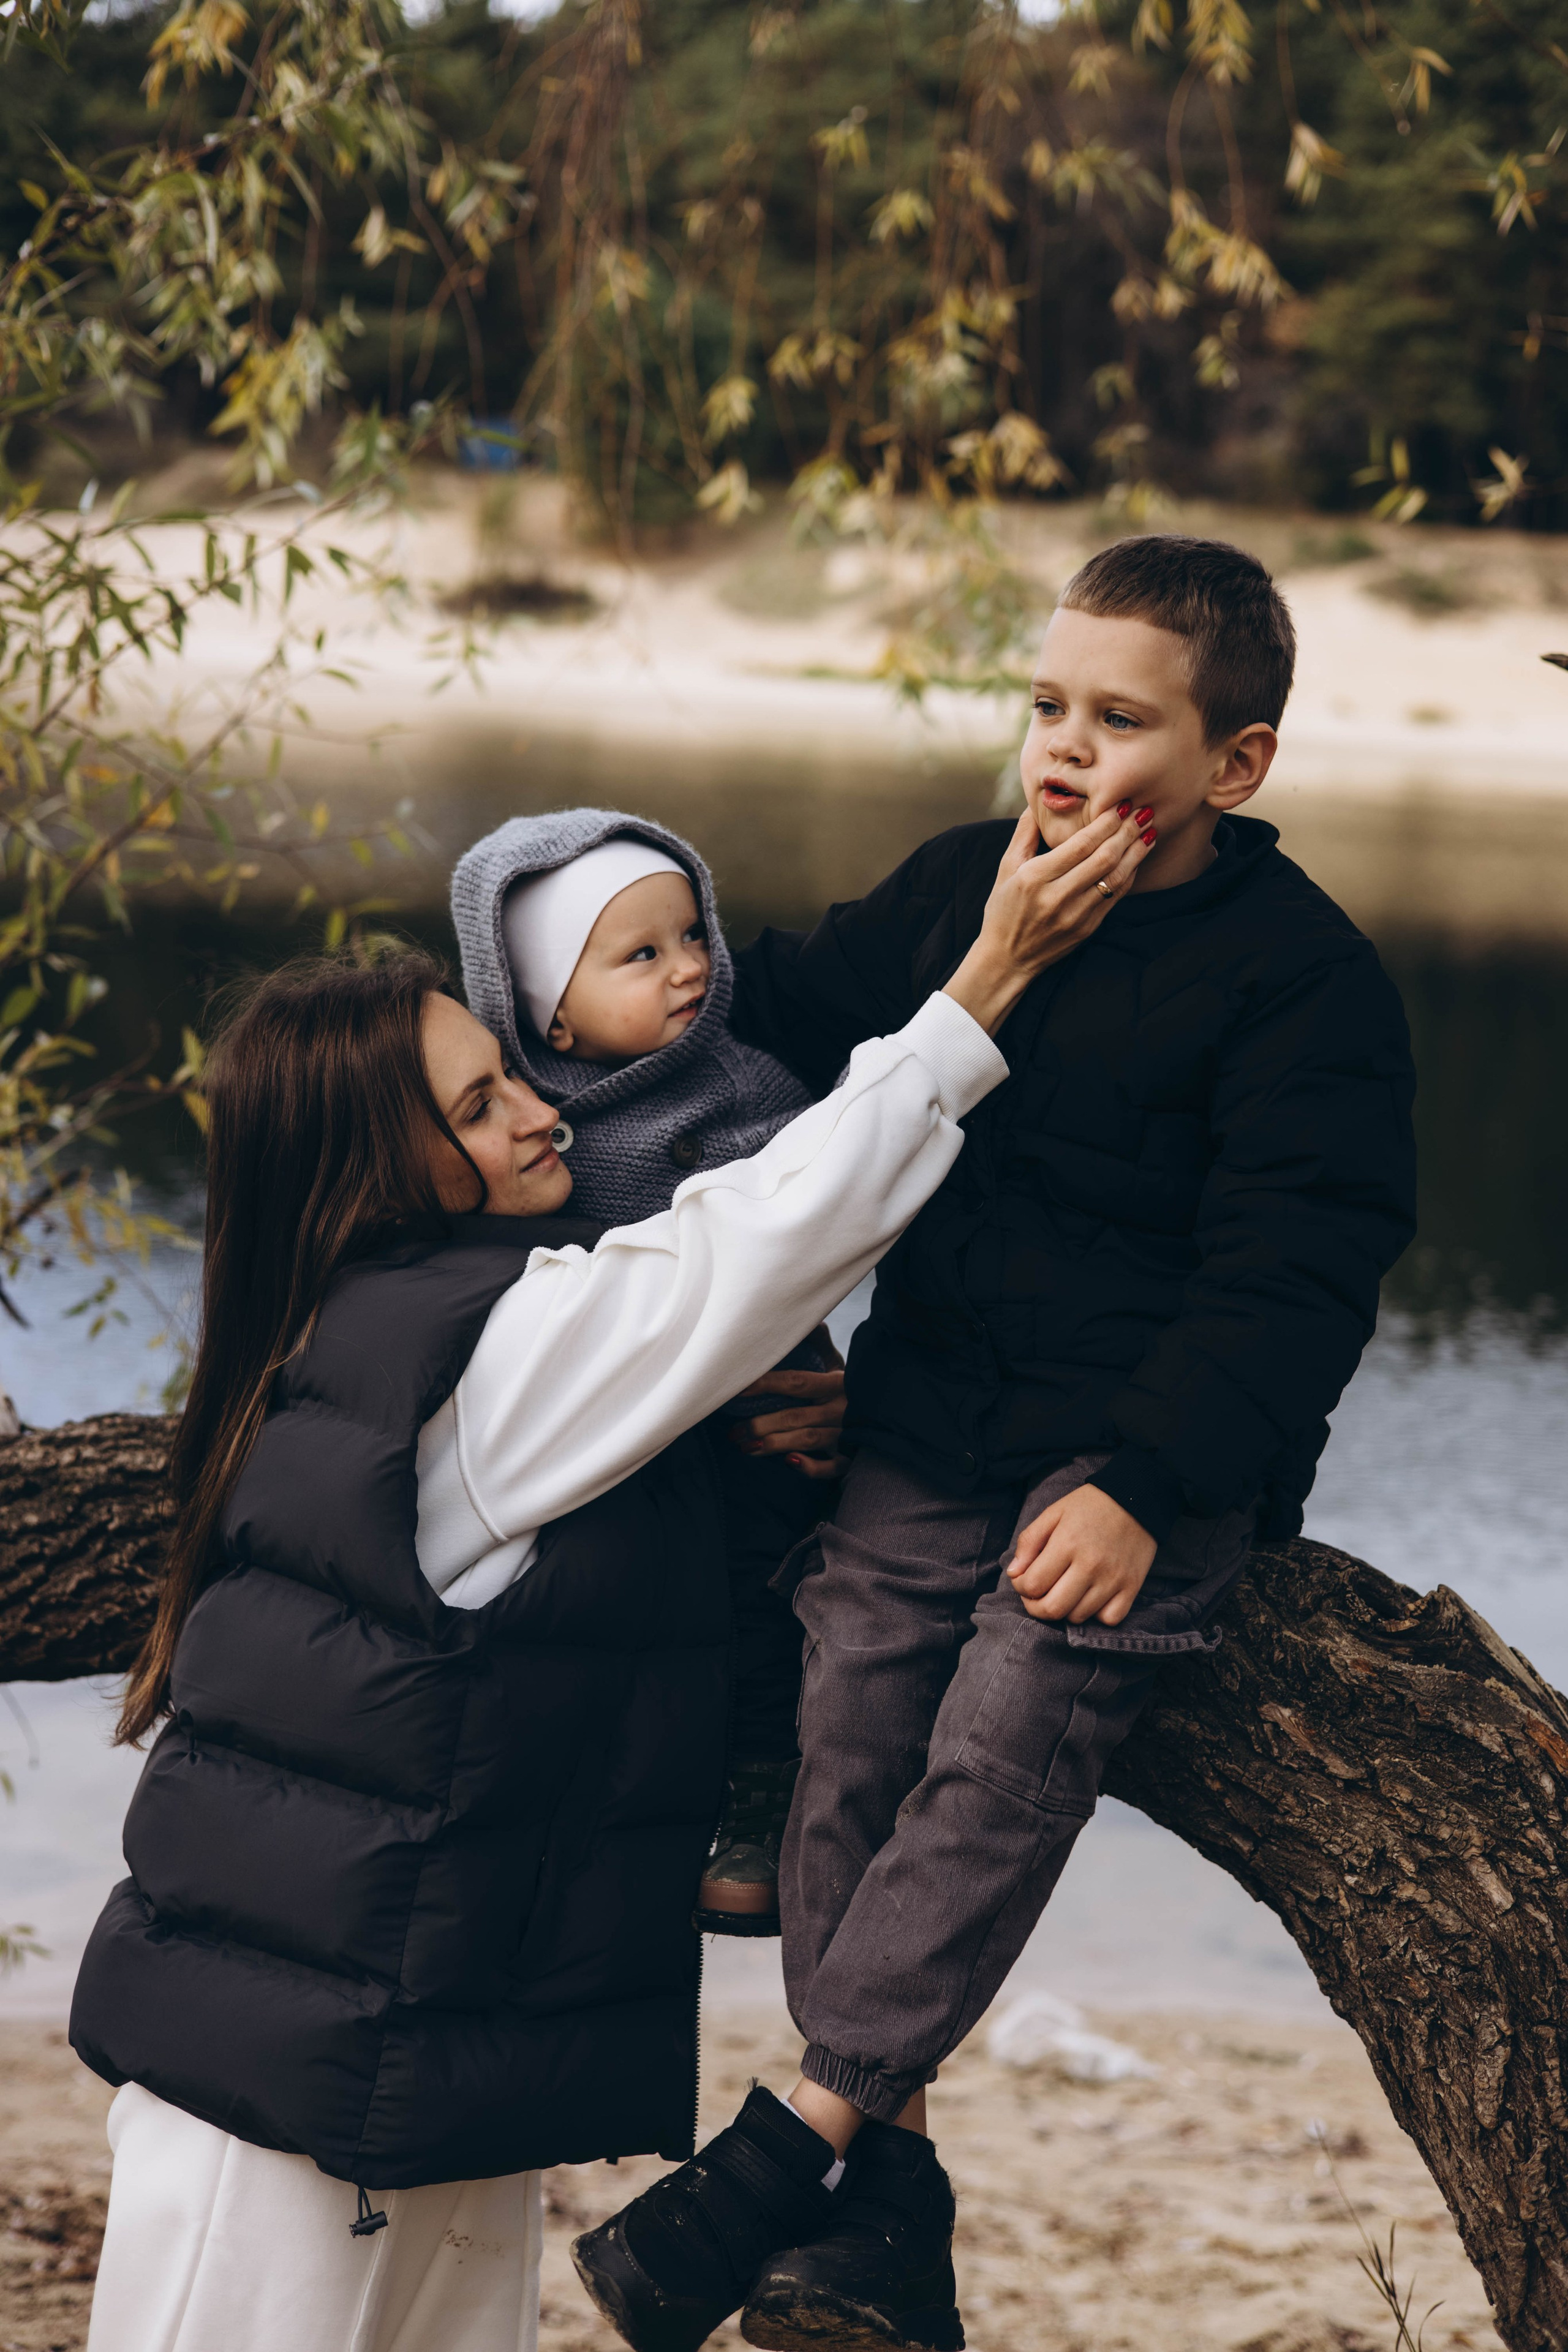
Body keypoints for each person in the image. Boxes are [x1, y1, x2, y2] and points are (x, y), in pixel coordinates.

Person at [71, 794, 1152, 2352]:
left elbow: (695, 1335)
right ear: (376, 1159)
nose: (538, 1114)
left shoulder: (359, 1326)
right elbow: (752, 1245)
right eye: (476, 1105)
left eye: (510, 1070)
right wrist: (978, 987)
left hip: (406, 2057)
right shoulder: (487, 1357)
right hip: (290, 2112)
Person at [572, 536, 1419, 2352]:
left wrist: (1144, 1487)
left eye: (1120, 721)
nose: (1062, 749)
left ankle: (787, 2147)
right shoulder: (968, 887)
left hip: (1138, 1457)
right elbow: (775, 1025)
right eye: (1047, 705)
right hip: (936, 1414)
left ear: (1234, 766)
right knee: (855, 1701)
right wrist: (579, 966)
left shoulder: (1304, 982)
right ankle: (873, 2200)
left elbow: (1294, 1279)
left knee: (1010, 1713)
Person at [450, 810, 848, 1936]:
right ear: (552, 1017)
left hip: (757, 1406)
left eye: (692, 937)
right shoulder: (523, 1126)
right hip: (605, 1423)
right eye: (641, 954)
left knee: (765, 1586)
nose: (688, 969)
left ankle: (763, 1794)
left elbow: (830, 1200)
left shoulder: (748, 1089)